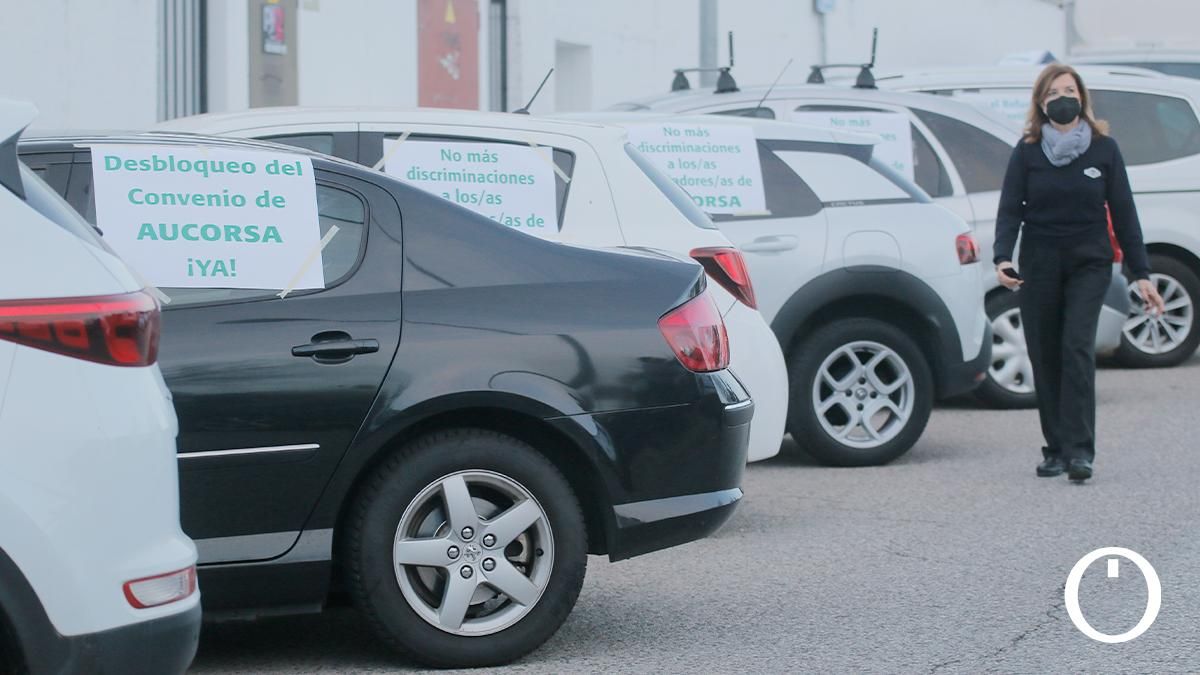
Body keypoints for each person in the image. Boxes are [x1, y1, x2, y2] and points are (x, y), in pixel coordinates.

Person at [994, 63, 1165, 482]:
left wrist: (1140, 271)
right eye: (1053, 94)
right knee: (1045, 352)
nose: (1062, 99)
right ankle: (1054, 449)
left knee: (1075, 348)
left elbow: (1125, 213)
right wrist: (1003, 258)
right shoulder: (1027, 151)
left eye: (1069, 90)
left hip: (1090, 262)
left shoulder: (1104, 149)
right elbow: (1010, 208)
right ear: (1041, 103)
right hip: (1039, 262)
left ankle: (1080, 452)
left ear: (1082, 98)